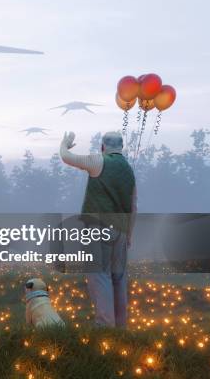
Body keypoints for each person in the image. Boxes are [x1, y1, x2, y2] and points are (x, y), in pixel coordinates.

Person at [60, 131, 136, 328]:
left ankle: (105, 326)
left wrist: (65, 144)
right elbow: (133, 205)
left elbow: (67, 158)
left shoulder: (98, 161)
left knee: (99, 275)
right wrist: (129, 234)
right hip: (120, 230)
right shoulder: (128, 170)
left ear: (103, 147)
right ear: (121, 147)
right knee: (118, 278)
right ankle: (120, 327)